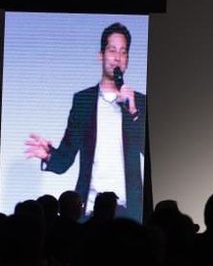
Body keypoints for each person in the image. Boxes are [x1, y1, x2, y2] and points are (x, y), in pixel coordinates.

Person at [24, 22, 146, 221]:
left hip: (129, 213)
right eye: (112, 50)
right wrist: (48, 155)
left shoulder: (138, 102)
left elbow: (147, 152)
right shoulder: (83, 101)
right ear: (101, 55)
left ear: (128, 60)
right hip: (88, 211)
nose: (117, 57)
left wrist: (133, 112)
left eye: (123, 52)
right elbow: (66, 158)